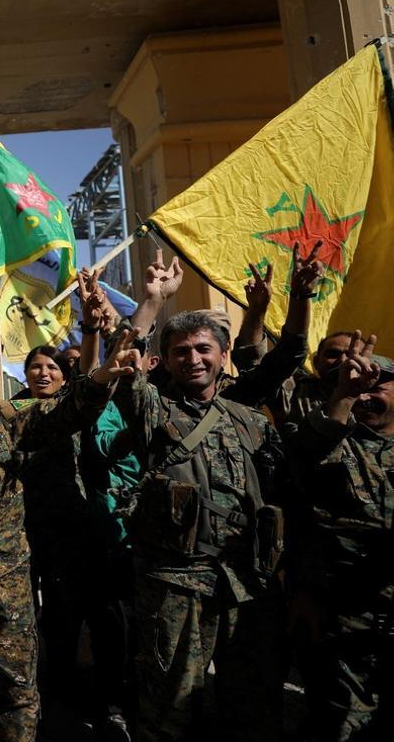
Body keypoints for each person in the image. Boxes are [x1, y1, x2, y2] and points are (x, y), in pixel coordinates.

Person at [0, 334, 137, 741]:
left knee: (17, 687)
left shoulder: (5, 422)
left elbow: (67, 411)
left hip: (9, 581)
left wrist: (104, 374)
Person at [112, 252, 290, 742]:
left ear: (222, 355)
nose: (193, 359)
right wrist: (152, 302)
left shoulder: (248, 420)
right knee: (171, 705)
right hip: (175, 584)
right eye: (181, 351)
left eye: (203, 349)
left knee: (250, 703)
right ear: (164, 360)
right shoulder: (153, 411)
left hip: (244, 582)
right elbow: (123, 360)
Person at [286, 333, 393, 741]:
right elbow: (305, 450)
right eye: (356, 386)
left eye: (376, 384)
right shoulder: (328, 439)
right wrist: (344, 395)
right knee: (340, 725)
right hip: (340, 619)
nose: (366, 395)